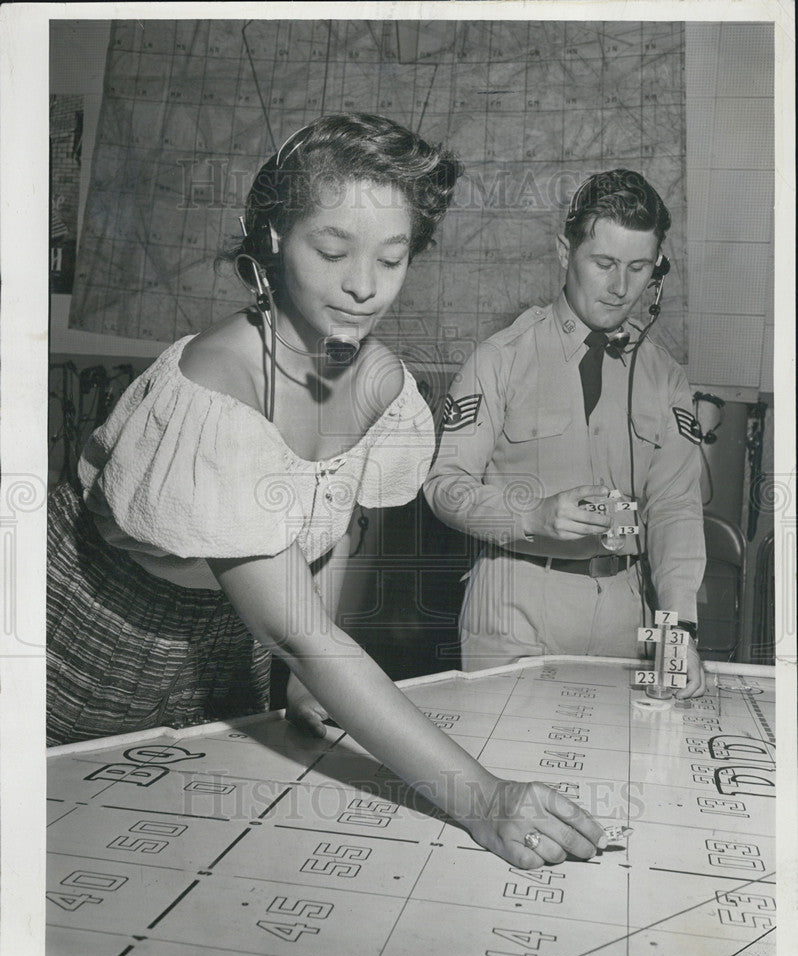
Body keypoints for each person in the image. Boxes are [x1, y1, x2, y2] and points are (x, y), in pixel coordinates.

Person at [47, 113, 607, 869]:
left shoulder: (382, 387)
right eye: (333, 250)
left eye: (393, 257)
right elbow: (299, 634)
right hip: (86, 629)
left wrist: (304, 683)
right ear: (275, 237)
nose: (364, 287)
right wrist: (483, 798)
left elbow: (339, 520)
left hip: (225, 638)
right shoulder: (219, 388)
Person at [424, 168, 706, 699]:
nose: (621, 287)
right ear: (564, 253)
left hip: (628, 618)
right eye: (603, 264)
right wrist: (530, 515)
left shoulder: (665, 378)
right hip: (513, 608)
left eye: (639, 267)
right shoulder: (500, 359)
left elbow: (674, 506)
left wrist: (680, 625)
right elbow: (444, 485)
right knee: (504, 776)